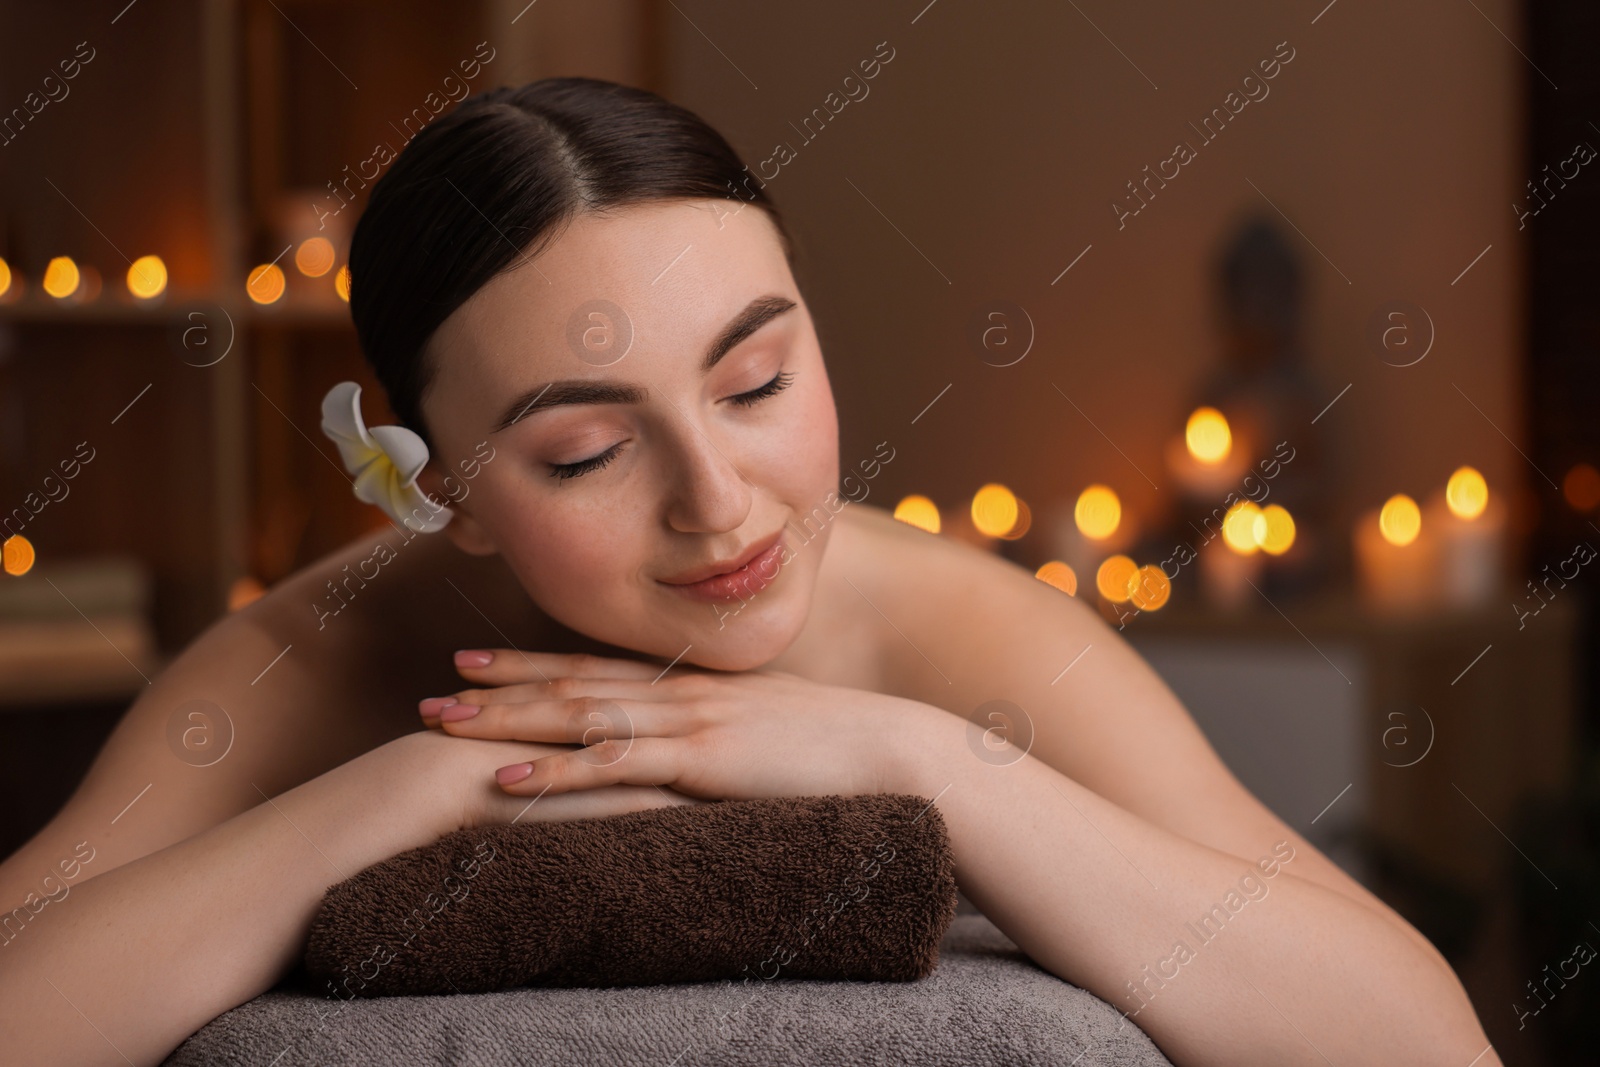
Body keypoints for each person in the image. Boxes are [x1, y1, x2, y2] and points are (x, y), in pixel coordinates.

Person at [0, 77, 1495, 1065]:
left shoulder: (963, 633)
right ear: (438, 489)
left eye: (759, 382)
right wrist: (398, 794)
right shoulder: (307, 663)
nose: (720, 504)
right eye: (586, 455)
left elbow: (1422, 1043)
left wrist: (930, 762)